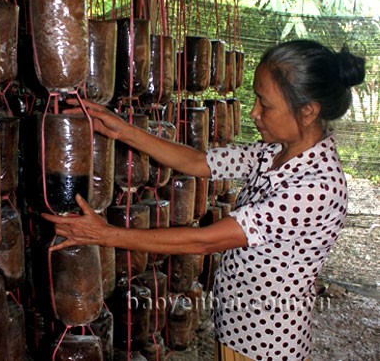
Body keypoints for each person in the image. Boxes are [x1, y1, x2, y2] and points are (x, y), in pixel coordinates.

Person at [42, 40, 365, 361]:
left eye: (264, 105)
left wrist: (104, 234)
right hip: (237, 328)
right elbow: (200, 162)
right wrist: (123, 131)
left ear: (308, 111)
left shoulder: (316, 185)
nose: (253, 112)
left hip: (267, 345)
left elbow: (203, 241)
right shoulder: (274, 152)